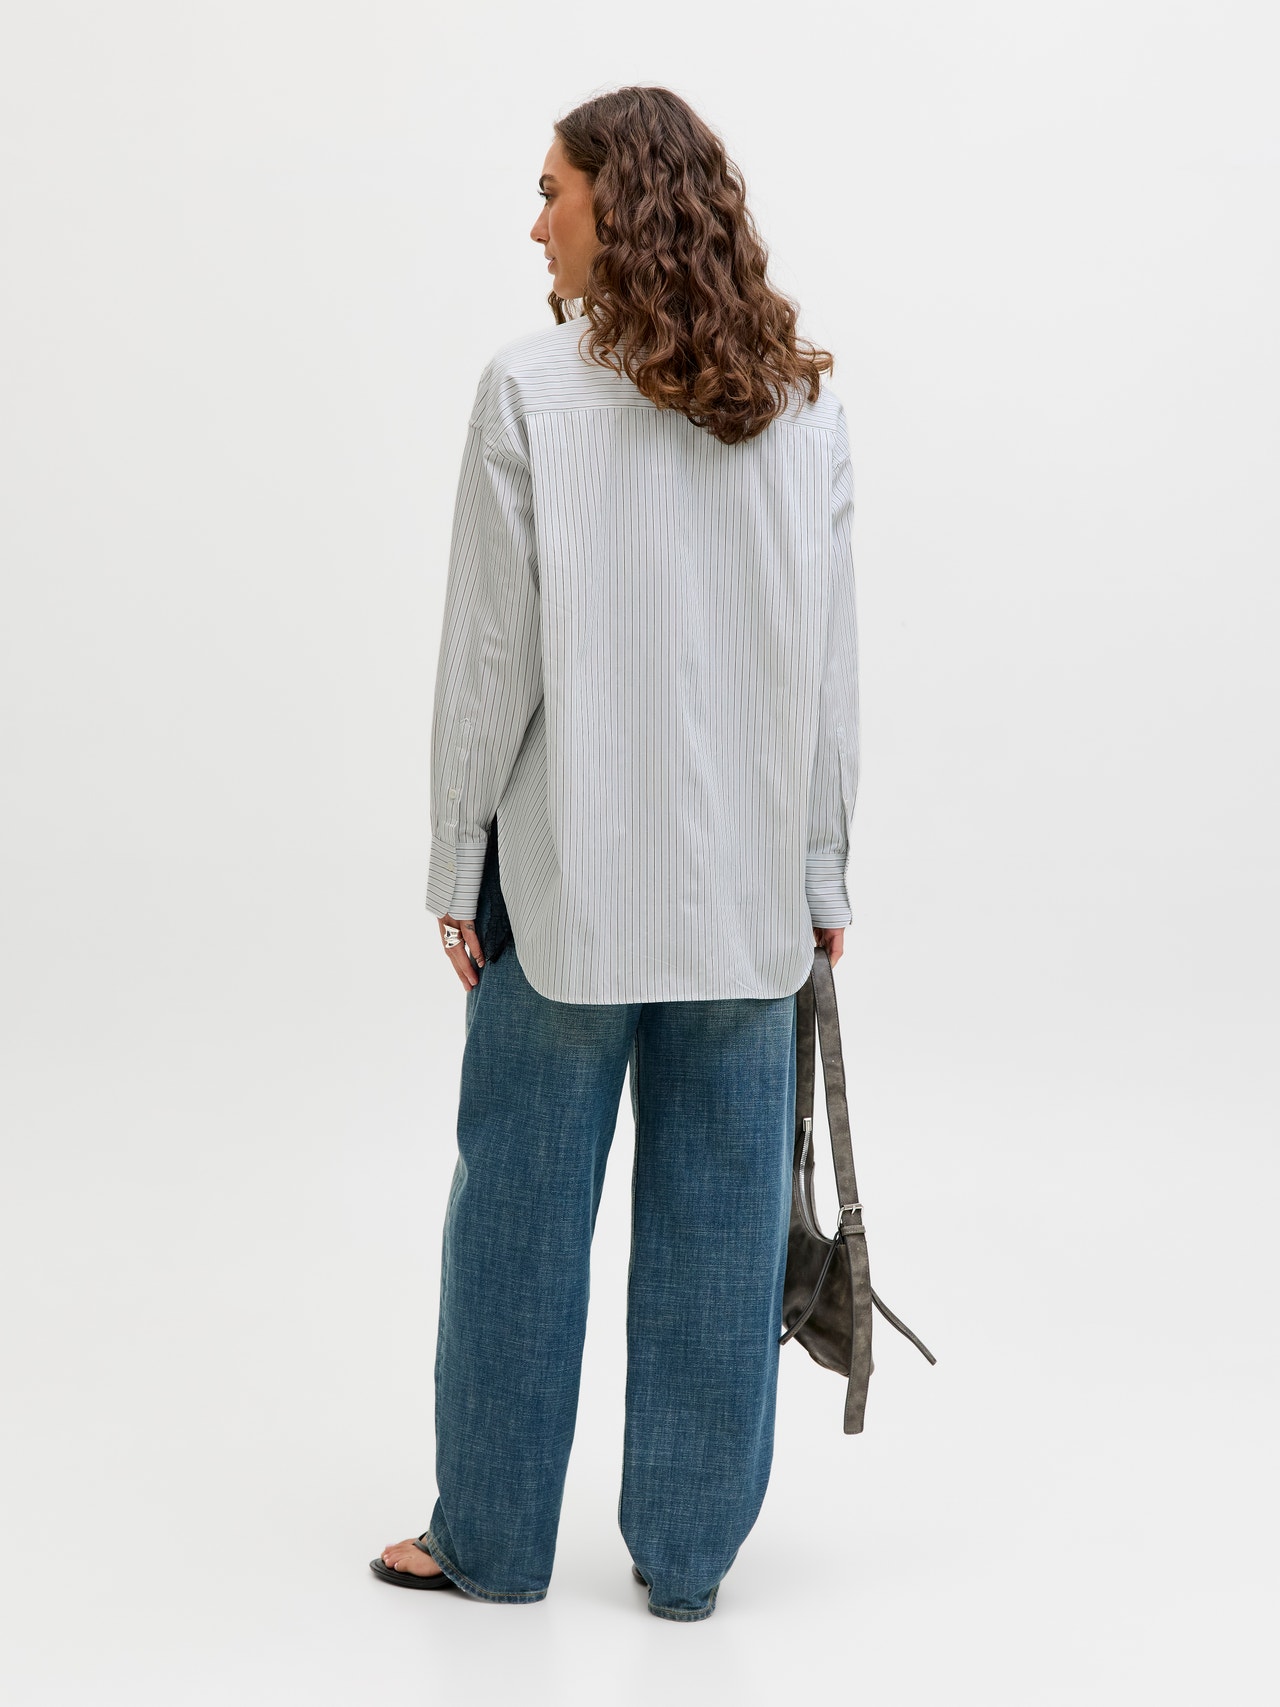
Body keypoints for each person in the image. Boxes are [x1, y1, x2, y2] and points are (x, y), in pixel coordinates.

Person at [369, 85, 858, 1622]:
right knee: (719, 1238)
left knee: (516, 1221)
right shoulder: (802, 403)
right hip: (746, 903)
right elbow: (829, 669)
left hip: (567, 888)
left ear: (617, 204)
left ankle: (492, 1543)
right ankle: (688, 1564)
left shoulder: (530, 391)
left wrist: (455, 857)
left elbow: (490, 658)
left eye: (551, 192)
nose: (535, 225)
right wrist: (824, 872)